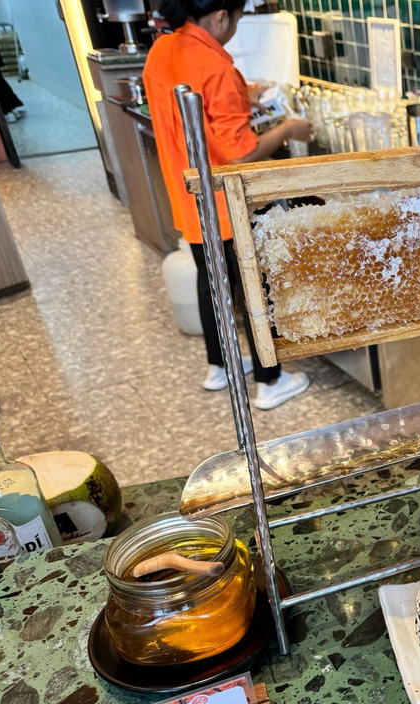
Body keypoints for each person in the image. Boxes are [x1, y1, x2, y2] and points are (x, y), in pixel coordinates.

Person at [144, 0, 314, 409]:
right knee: (254, 287)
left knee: (212, 282)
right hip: (225, 201)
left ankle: (219, 366)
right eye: (237, 17)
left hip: (189, 194)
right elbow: (242, 154)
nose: (236, 24)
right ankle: (270, 381)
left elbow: (196, 112)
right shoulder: (214, 65)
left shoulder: (162, 49)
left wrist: (241, 100)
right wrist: (288, 129)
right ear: (221, 16)